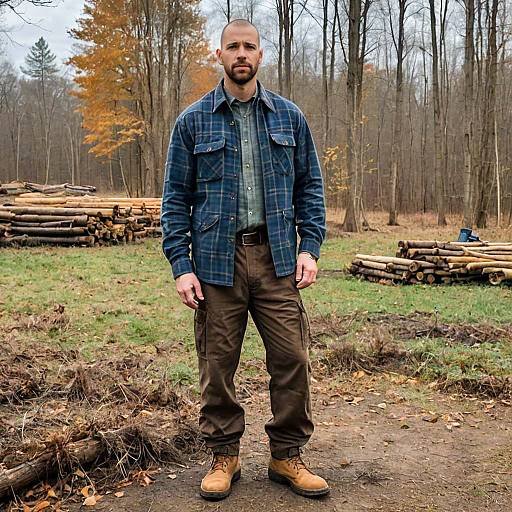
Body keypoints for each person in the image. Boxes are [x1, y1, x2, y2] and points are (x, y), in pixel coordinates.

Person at [161, 18, 328, 500]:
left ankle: (286, 456)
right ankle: (224, 455)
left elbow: (310, 188)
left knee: (292, 358)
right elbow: (174, 199)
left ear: (260, 56)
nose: (241, 54)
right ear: (220, 55)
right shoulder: (193, 121)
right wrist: (181, 264)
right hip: (216, 261)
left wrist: (310, 247)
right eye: (232, 46)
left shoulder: (289, 117)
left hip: (277, 258)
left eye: (249, 47)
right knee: (217, 364)